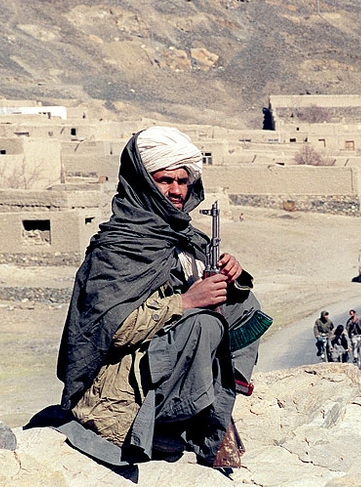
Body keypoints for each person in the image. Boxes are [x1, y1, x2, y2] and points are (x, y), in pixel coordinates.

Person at [56, 126, 270, 470]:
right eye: (165, 180)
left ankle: (217, 400)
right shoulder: (117, 247)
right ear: (142, 182)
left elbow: (208, 292)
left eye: (183, 181)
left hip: (163, 355)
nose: (176, 190)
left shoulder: (182, 235)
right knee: (202, 323)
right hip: (122, 378)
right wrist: (185, 302)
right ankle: (166, 424)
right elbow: (115, 330)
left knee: (244, 306)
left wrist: (231, 279)